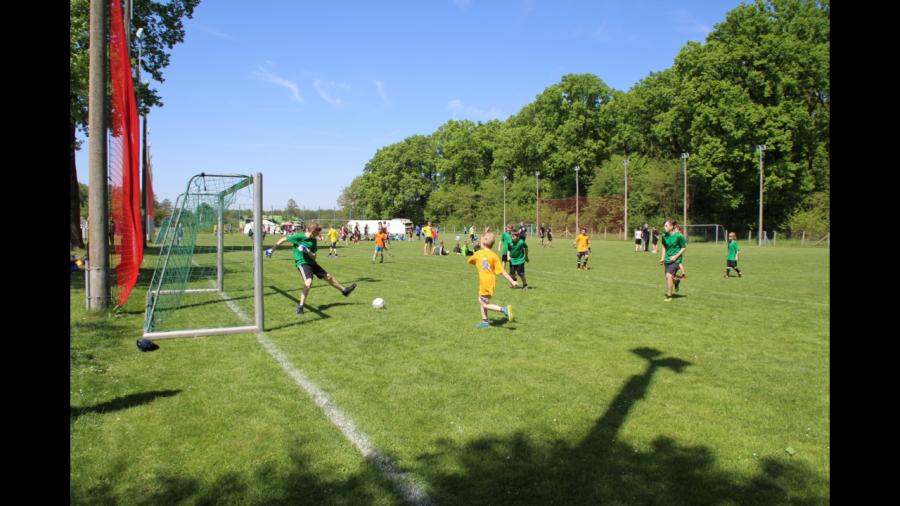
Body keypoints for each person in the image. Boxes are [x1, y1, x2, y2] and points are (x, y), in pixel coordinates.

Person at [266, 222, 357, 315]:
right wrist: (272, 250)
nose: (319, 234)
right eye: (318, 232)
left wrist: (308, 251)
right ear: (313, 231)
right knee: (308, 283)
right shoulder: (299, 237)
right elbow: (283, 239)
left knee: (328, 277)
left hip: (312, 263)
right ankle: (301, 307)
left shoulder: (314, 240)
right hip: (302, 263)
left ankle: (344, 291)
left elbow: (314, 257)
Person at [467, 231, 517, 328]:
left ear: (482, 242)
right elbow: (502, 271)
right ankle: (485, 321)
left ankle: (504, 309)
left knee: (483, 303)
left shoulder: (478, 254)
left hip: (484, 282)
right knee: (484, 301)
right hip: (491, 282)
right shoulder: (494, 256)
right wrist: (512, 281)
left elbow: (470, 261)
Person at [659, 219, 687, 302]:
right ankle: (676, 281)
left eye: (666, 225)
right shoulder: (664, 236)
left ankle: (669, 296)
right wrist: (662, 257)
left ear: (671, 227)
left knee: (668, 275)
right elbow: (664, 246)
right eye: (664, 225)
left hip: (676, 260)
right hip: (667, 259)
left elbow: (684, 248)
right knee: (669, 277)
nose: (664, 227)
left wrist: (675, 256)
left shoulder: (679, 236)